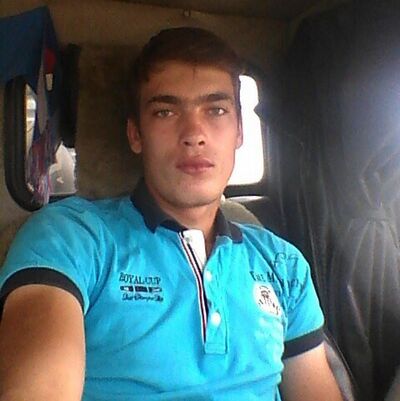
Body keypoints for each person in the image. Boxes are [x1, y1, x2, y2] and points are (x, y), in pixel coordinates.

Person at [0, 27, 343, 401]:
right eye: (165, 111)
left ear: (239, 132)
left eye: (216, 110)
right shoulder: (70, 238)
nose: (194, 134)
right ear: (136, 135)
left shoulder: (282, 263)